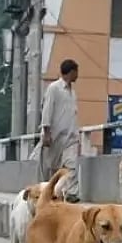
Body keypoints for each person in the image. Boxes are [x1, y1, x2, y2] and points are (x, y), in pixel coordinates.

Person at [40, 59, 82, 202]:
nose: (78, 75)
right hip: (54, 136)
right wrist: (46, 132)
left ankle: (72, 194)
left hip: (70, 137)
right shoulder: (54, 88)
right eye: (76, 72)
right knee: (53, 168)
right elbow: (47, 110)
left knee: (72, 166)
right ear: (71, 72)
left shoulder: (72, 92)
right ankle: (50, 193)